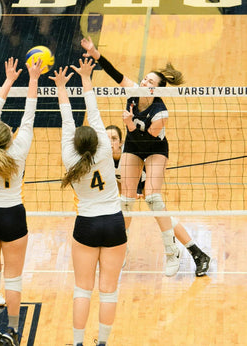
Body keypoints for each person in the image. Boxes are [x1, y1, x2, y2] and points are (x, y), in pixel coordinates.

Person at [81, 36, 184, 277]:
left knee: (153, 197)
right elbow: (113, 72)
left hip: (155, 149)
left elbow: (149, 137)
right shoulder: (133, 91)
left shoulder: (160, 112)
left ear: (155, 88)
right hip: (134, 147)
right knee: (125, 200)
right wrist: (95, 53)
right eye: (144, 77)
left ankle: (171, 251)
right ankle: (119, 248)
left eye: (149, 80)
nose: (143, 80)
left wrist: (130, 125)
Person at [52, 58, 126, 346]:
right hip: (114, 223)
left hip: (86, 224)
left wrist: (61, 86)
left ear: (75, 144)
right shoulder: (107, 150)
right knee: (109, 291)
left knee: (82, 289)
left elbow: (67, 117)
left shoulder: (70, 159)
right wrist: (86, 77)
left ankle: (78, 343)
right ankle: (103, 343)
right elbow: (93, 110)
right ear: (97, 141)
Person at [0, 56, 42, 346]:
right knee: (13, 279)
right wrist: (33, 78)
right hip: (14, 215)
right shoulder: (18, 151)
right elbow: (30, 114)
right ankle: (13, 330)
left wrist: (8, 80)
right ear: (10, 138)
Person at [106, 125, 211, 276]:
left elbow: (151, 172)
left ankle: (199, 254)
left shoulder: (129, 154)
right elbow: (119, 180)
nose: (110, 142)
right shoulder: (104, 160)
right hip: (130, 191)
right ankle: (120, 249)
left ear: (121, 143)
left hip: (147, 186)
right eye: (107, 138)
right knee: (120, 212)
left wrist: (141, 191)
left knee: (166, 220)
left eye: (114, 139)